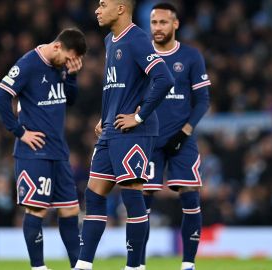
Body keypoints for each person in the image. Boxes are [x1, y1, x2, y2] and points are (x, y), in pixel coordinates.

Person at [74, 1, 174, 269]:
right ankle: (83, 264)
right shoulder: (110, 40)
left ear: (120, 9)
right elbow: (118, 86)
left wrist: (139, 116)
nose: (97, 9)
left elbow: (165, 78)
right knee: (94, 193)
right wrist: (104, 117)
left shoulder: (138, 38)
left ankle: (134, 266)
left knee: (131, 195)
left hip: (134, 131)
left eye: (103, 4)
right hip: (111, 128)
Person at [0, 28, 86, 270]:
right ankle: (38, 267)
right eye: (68, 59)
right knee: (37, 209)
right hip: (33, 152)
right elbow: (0, 96)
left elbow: (70, 100)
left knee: (70, 210)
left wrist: (73, 77)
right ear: (57, 47)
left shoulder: (61, 67)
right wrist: (20, 131)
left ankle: (77, 265)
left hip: (59, 150)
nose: (68, 64)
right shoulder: (28, 64)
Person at [141, 3, 211, 270]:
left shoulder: (191, 57)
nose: (157, 28)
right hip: (148, 139)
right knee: (141, 202)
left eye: (163, 22)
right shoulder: (143, 55)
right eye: (154, 23)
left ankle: (188, 265)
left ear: (175, 24)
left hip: (181, 139)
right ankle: (138, 264)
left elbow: (203, 100)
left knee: (190, 196)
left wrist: (185, 132)